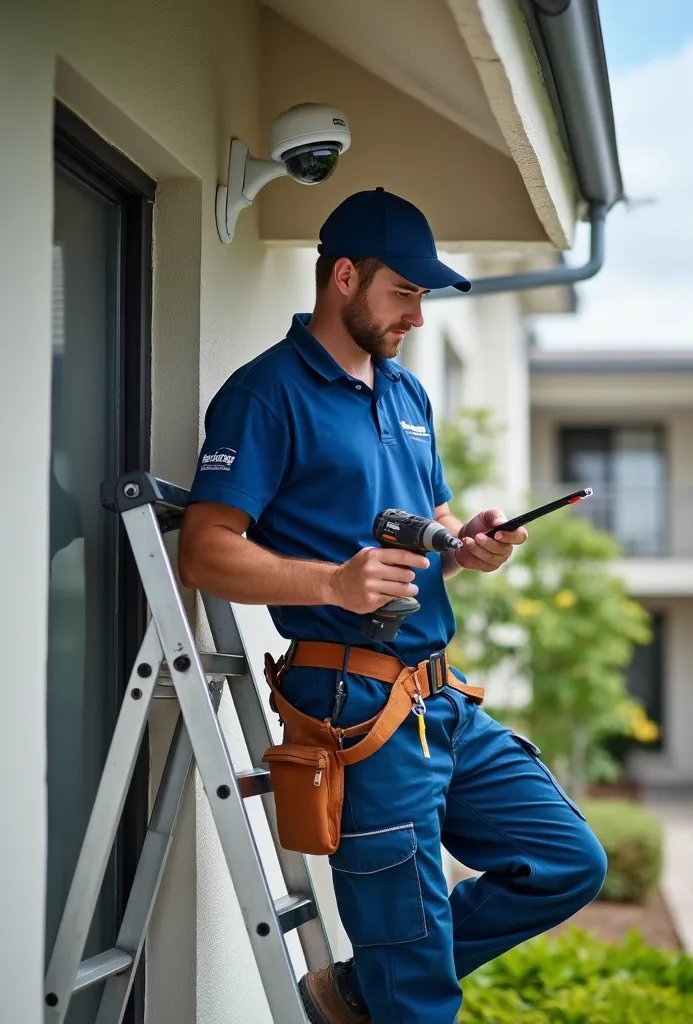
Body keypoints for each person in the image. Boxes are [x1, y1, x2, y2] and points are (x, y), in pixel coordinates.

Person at [178, 187, 608, 1024]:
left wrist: (468, 540)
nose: (417, 313)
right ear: (345, 276)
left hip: (437, 697)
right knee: (420, 993)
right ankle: (389, 987)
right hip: (353, 703)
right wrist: (332, 584)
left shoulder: (406, 392)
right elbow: (203, 550)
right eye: (404, 292)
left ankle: (362, 988)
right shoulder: (266, 394)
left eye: (420, 296)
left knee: (567, 860)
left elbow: (435, 519)